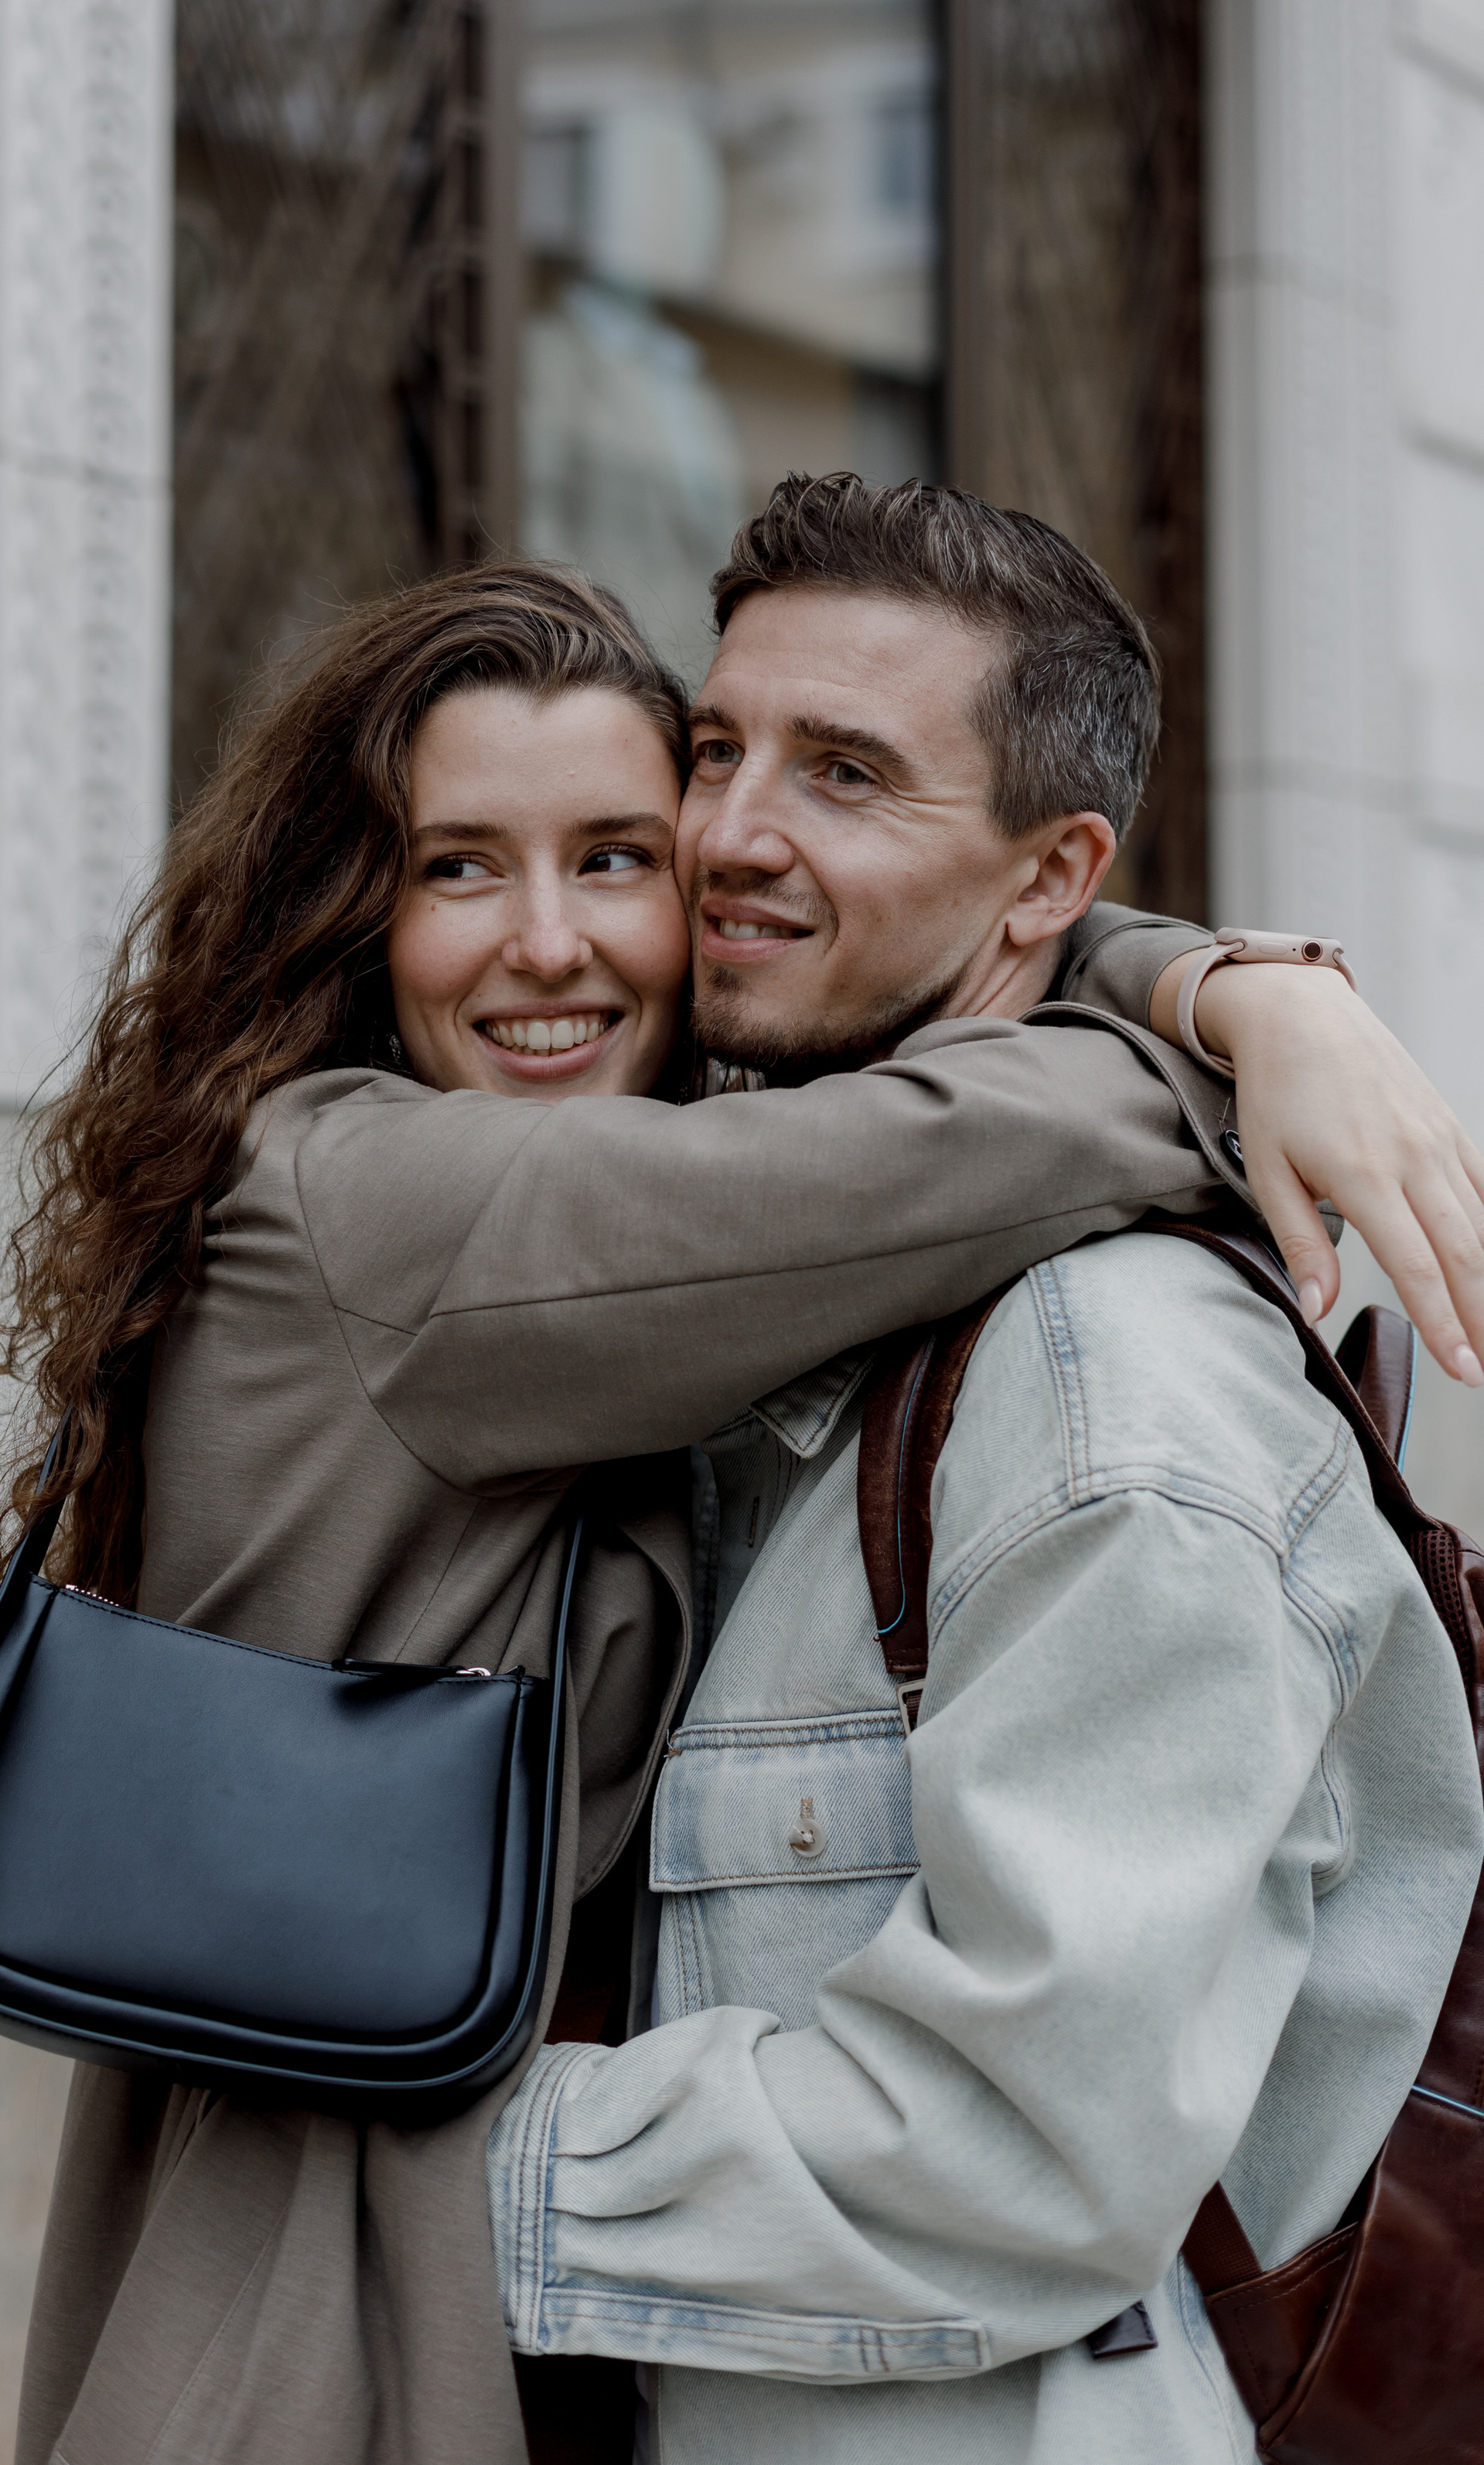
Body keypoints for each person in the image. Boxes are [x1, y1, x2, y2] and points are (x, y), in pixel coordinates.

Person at [0, 536, 1484, 2465]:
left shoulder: (687, 1224)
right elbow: (957, 1120)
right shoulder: (389, 1205)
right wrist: (1245, 1018)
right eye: (457, 868)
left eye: (619, 851)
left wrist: (1177, 971)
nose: (555, 941)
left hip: (474, 2300)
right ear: (353, 915)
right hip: (305, 2315)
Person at [484, 476, 1484, 2464]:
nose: (724, 832)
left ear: (1048, 884)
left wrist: (417, 2172)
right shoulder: (782, 1271)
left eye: (843, 773)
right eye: (714, 748)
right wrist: (1211, 981)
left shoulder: (1106, 1398)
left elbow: (1011, 2147)